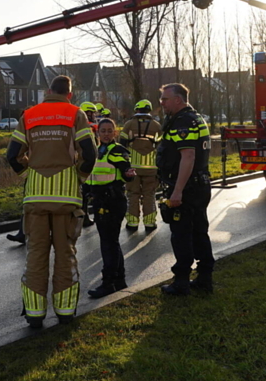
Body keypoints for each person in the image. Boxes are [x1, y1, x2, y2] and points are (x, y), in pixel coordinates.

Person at [7, 75, 97, 328]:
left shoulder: (29, 115)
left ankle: (35, 316)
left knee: (35, 254)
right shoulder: (75, 113)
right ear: (70, 93)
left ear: (48, 91)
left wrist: (29, 173)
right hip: (66, 199)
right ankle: (65, 312)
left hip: (35, 197)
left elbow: (12, 155)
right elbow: (89, 154)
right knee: (65, 253)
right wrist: (77, 176)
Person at [156, 83, 214, 297]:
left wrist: (177, 190)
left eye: (165, 99)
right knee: (199, 232)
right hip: (198, 185)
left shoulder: (183, 122)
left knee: (181, 235)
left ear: (178, 99)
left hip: (187, 188)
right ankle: (205, 278)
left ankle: (181, 282)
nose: (161, 103)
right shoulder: (195, 117)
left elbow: (187, 156)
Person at [86, 118, 136, 298]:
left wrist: (129, 175)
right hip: (99, 201)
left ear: (115, 133)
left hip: (113, 202)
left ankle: (108, 283)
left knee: (108, 243)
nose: (106, 134)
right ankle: (120, 280)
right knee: (111, 242)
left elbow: (126, 172)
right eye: (103, 131)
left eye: (109, 131)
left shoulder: (118, 150)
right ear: (98, 133)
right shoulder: (96, 151)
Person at [120, 99, 163, 233]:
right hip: (151, 167)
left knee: (133, 194)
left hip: (133, 167)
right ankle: (150, 223)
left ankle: (132, 223)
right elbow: (162, 147)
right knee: (149, 194)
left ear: (137, 109)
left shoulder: (128, 124)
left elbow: (122, 145)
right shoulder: (157, 126)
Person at [79, 101, 99, 228]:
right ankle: (84, 217)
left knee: (85, 193)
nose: (93, 115)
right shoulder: (88, 126)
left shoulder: (80, 125)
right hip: (88, 162)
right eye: (91, 113)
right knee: (87, 192)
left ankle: (84, 216)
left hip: (85, 162)